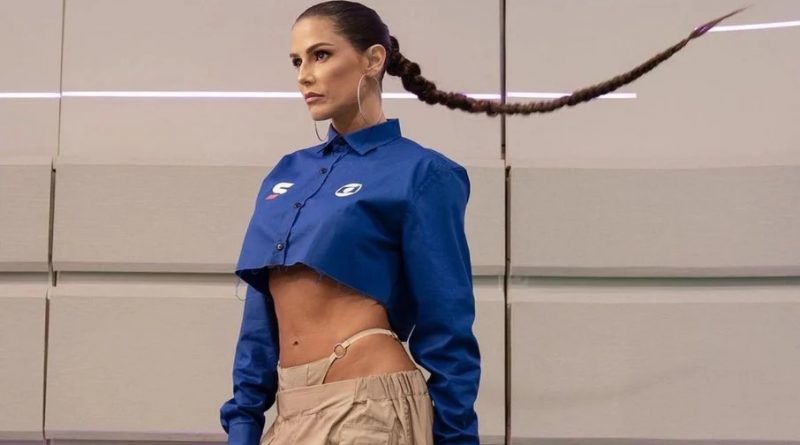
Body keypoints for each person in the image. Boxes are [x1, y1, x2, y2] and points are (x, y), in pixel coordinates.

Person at [219, 2, 745, 444]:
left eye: (321, 55)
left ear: (373, 60)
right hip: (292, 410)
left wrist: (456, 437)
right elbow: (261, 318)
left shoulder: (422, 173)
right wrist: (244, 422)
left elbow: (447, 321)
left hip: (370, 408)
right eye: (296, 61)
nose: (304, 75)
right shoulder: (286, 174)